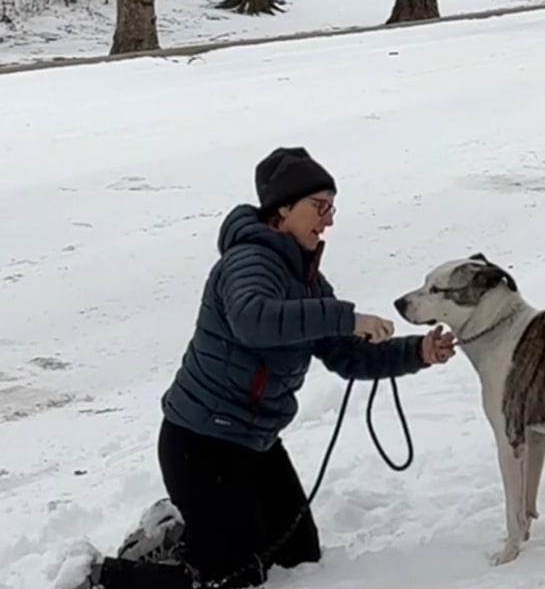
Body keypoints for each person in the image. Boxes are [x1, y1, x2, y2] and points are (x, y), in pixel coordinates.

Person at [61, 147, 456, 589]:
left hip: (254, 444)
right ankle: (97, 576)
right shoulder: (248, 261)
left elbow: (348, 355)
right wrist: (345, 316)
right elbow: (255, 321)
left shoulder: (307, 280)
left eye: (332, 208)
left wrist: (420, 352)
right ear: (282, 209)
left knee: (296, 554)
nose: (328, 220)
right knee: (235, 573)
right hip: (200, 442)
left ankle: (177, 529)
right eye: (319, 207)